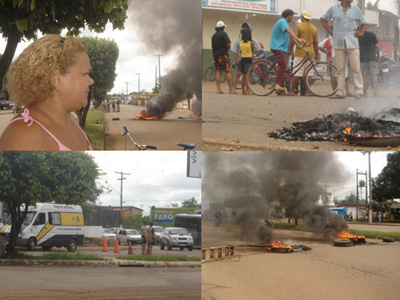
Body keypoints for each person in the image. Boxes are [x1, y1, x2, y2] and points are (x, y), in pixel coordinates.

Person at [0, 35, 94, 150]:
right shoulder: (26, 136)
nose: (91, 81)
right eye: (85, 74)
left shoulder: (70, 119)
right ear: (57, 78)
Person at [321, 0, 368, 100]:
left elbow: (365, 23)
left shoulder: (356, 9)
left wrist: (361, 32)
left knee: (356, 68)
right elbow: (323, 19)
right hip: (339, 43)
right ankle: (340, 93)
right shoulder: (333, 8)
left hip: (353, 42)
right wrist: (329, 30)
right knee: (340, 70)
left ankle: (359, 91)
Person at [270, 9, 306, 94]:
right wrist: (299, 38)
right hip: (277, 47)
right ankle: (278, 85)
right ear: (289, 15)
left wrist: (298, 44)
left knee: (284, 68)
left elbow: (291, 36)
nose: (292, 17)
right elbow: (290, 32)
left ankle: (280, 88)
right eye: (292, 15)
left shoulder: (284, 23)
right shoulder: (282, 21)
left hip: (282, 48)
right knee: (283, 64)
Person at [288, 11, 318, 96]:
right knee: (309, 73)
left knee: (297, 72)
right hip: (310, 53)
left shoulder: (298, 26)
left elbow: (294, 39)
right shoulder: (314, 28)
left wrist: (290, 49)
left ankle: (292, 91)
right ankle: (308, 92)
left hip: (300, 52)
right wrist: (316, 54)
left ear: (302, 17)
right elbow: (316, 42)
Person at [232, 23, 262, 90]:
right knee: (240, 74)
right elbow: (235, 50)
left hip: (244, 60)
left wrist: (254, 56)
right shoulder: (239, 41)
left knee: (244, 75)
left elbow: (258, 48)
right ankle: (236, 88)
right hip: (242, 60)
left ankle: (245, 90)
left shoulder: (251, 41)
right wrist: (236, 60)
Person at [211, 21, 236, 94]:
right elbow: (228, 44)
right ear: (223, 27)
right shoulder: (224, 34)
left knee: (218, 72)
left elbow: (213, 47)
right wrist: (227, 49)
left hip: (216, 55)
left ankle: (218, 89)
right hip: (224, 55)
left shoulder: (213, 36)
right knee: (227, 71)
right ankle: (231, 89)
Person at [358, 30, 380, 97]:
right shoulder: (372, 34)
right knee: (374, 75)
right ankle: (375, 91)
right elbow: (376, 47)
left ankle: (365, 93)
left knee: (364, 76)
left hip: (363, 58)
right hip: (372, 57)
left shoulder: (358, 36)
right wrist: (378, 56)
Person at [238, 27, 254, 95]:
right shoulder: (251, 43)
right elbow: (253, 51)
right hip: (248, 59)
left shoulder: (240, 42)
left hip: (242, 59)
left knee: (243, 76)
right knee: (247, 76)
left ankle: (243, 91)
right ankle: (248, 90)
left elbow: (240, 51)